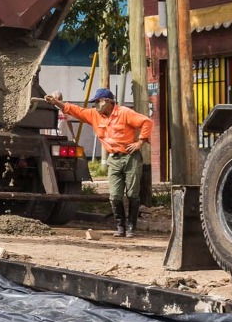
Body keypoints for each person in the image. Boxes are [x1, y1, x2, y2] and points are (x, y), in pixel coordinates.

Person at [45, 87, 152, 238]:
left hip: (130, 157)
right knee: (115, 195)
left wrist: (140, 142)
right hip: (113, 158)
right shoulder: (95, 115)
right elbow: (76, 110)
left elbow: (146, 122)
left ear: (108, 101)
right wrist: (57, 102)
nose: (95, 105)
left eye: (98, 102)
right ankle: (120, 226)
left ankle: (131, 227)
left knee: (133, 193)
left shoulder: (124, 113)